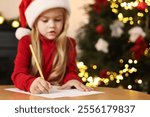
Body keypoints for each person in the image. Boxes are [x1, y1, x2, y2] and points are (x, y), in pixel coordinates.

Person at [11, 0, 91, 94]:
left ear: (64, 20)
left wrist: (72, 80)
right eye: (45, 20)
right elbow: (18, 74)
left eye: (57, 20)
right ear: (35, 22)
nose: (52, 25)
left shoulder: (69, 43)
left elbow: (70, 71)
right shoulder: (26, 42)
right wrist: (30, 83)